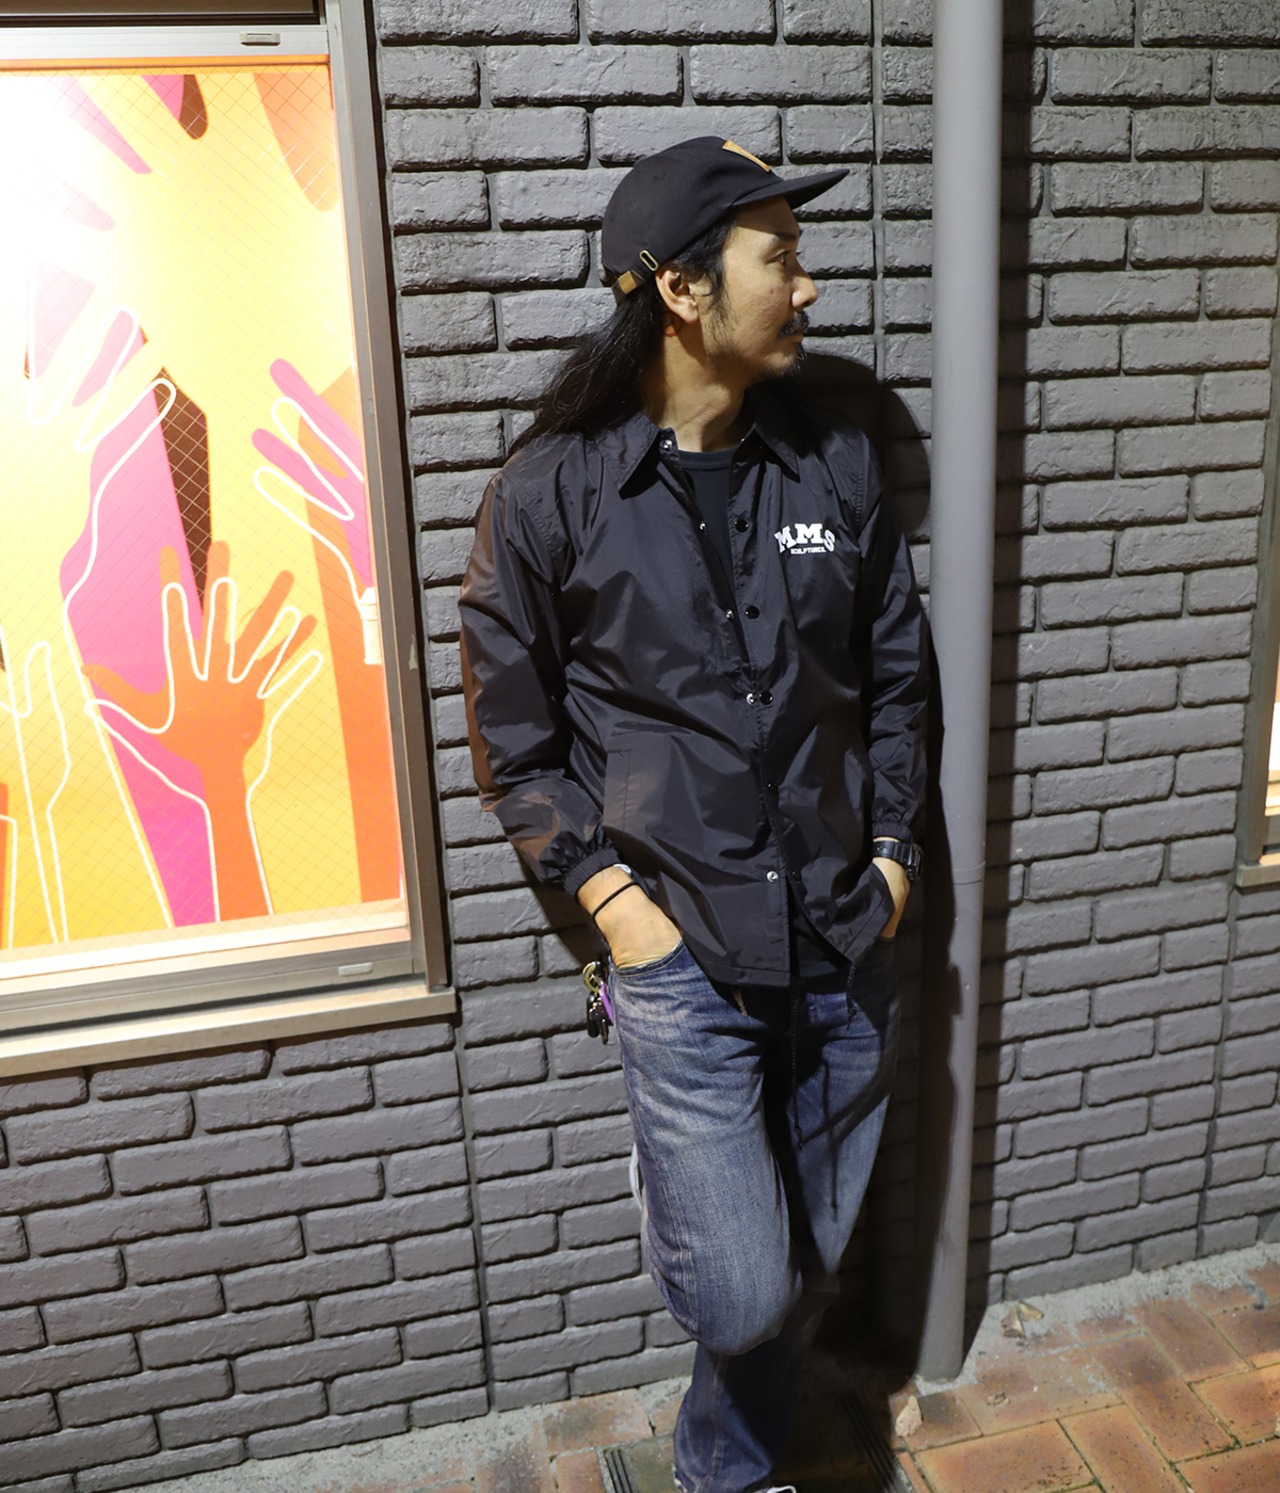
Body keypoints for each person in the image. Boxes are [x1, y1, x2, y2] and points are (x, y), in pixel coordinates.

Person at [459, 137, 928, 1493]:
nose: (809, 287)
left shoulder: (835, 469)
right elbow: (514, 742)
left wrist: (893, 856)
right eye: (781, 258)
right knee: (738, 1285)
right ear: (680, 288)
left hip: (844, 938)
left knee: (811, 1259)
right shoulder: (549, 496)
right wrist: (621, 913)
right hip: (686, 969)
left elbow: (899, 680)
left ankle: (725, 1464)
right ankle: (695, 1211)